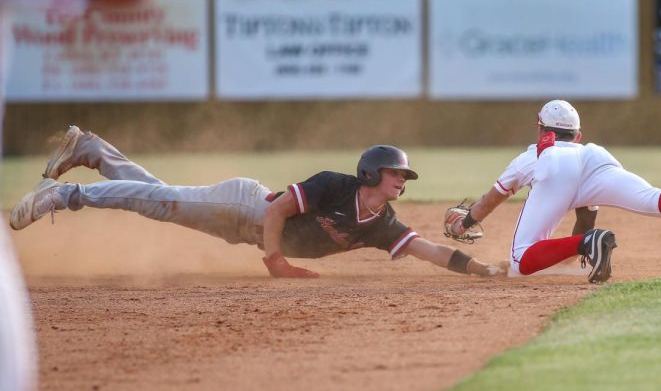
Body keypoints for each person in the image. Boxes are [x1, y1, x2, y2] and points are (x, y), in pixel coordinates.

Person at [0, 0, 164, 391]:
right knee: (165, 198)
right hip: (240, 205)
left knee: (159, 195)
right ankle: (72, 176)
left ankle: (81, 158)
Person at [9, 127, 504, 280]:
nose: (403, 181)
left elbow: (431, 251)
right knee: (158, 203)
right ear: (373, 173)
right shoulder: (335, 185)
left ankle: (92, 150)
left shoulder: (382, 223)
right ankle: (67, 195)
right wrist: (275, 260)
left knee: (158, 196)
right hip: (245, 207)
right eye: (398, 173)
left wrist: (483, 270)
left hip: (242, 226)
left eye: (405, 176)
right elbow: (276, 212)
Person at [446, 100, 661, 283]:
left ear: (541, 130)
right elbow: (585, 223)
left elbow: (491, 200)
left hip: (553, 164)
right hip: (600, 160)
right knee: (653, 198)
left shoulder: (532, 155)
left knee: (520, 259)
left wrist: (465, 223)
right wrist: (585, 242)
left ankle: (589, 245)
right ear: (577, 134)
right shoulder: (587, 152)